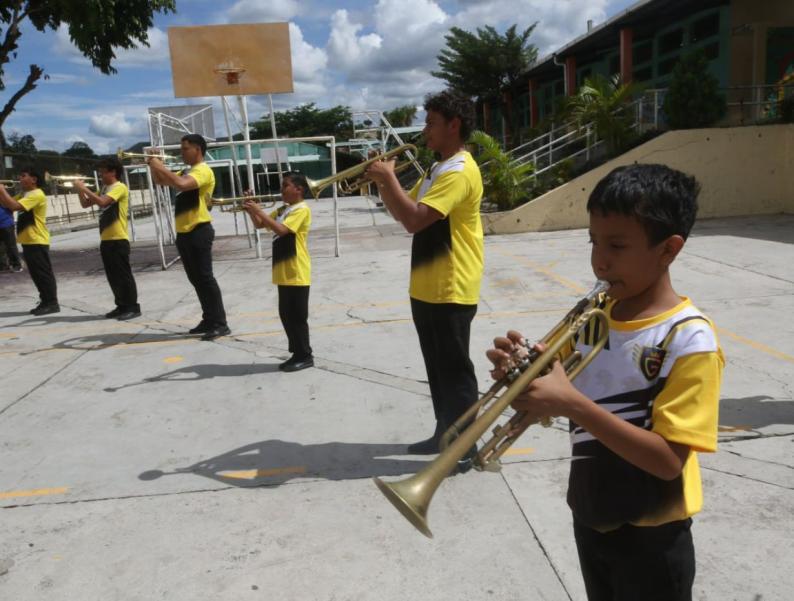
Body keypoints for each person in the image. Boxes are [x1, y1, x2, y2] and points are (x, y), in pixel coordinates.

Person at [487, 164, 723, 601]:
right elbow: (548, 393)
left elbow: (669, 460)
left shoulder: (689, 338)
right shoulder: (592, 320)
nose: (600, 260)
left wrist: (572, 403)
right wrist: (519, 376)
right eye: (593, 241)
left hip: (654, 536)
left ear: (668, 250)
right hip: (591, 515)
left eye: (617, 245)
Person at [367, 90, 484, 464]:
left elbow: (417, 219)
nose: (425, 130)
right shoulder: (438, 168)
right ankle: (443, 434)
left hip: (451, 285)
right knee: (437, 371)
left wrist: (389, 177)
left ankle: (464, 448)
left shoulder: (460, 171)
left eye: (431, 122)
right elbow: (405, 216)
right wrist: (384, 182)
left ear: (454, 125)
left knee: (455, 373)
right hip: (427, 285)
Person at [147, 134, 230, 340]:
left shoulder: (202, 170)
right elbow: (161, 181)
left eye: (185, 149)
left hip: (198, 230)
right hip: (184, 232)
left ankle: (220, 323)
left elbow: (182, 185)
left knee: (205, 278)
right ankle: (209, 318)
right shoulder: (187, 171)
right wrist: (152, 164)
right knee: (196, 279)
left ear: (198, 150)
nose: (181, 152)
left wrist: (159, 164)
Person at [242, 172, 313, 372]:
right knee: (286, 315)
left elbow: (282, 230)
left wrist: (259, 210)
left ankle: (305, 355)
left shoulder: (302, 209)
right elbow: (261, 224)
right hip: (282, 270)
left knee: (298, 316)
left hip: (296, 269)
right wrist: (250, 208)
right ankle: (296, 352)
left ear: (298, 190)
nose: (281, 190)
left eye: (285, 186)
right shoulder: (284, 209)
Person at [74, 158, 140, 320]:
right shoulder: (104, 187)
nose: (101, 175)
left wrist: (84, 188)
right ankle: (121, 305)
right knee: (113, 276)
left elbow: (103, 203)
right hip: (106, 238)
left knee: (123, 275)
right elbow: (85, 204)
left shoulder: (119, 187)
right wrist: (79, 191)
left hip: (118, 238)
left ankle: (132, 306)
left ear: (113, 172)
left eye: (103, 171)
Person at [0, 167, 59, 315]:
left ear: (34, 179)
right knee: (36, 274)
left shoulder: (36, 194)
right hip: (28, 240)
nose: (20, 179)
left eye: (23, 175)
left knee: (43, 273)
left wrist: (1, 189)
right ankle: (45, 300)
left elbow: (14, 206)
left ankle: (52, 303)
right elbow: (8, 205)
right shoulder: (24, 193)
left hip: (37, 239)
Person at [0, 203, 23, 272]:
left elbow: (12, 205)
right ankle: (2, 265)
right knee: (1, 246)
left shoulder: (3, 197)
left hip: (6, 224)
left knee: (11, 245)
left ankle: (17, 265)